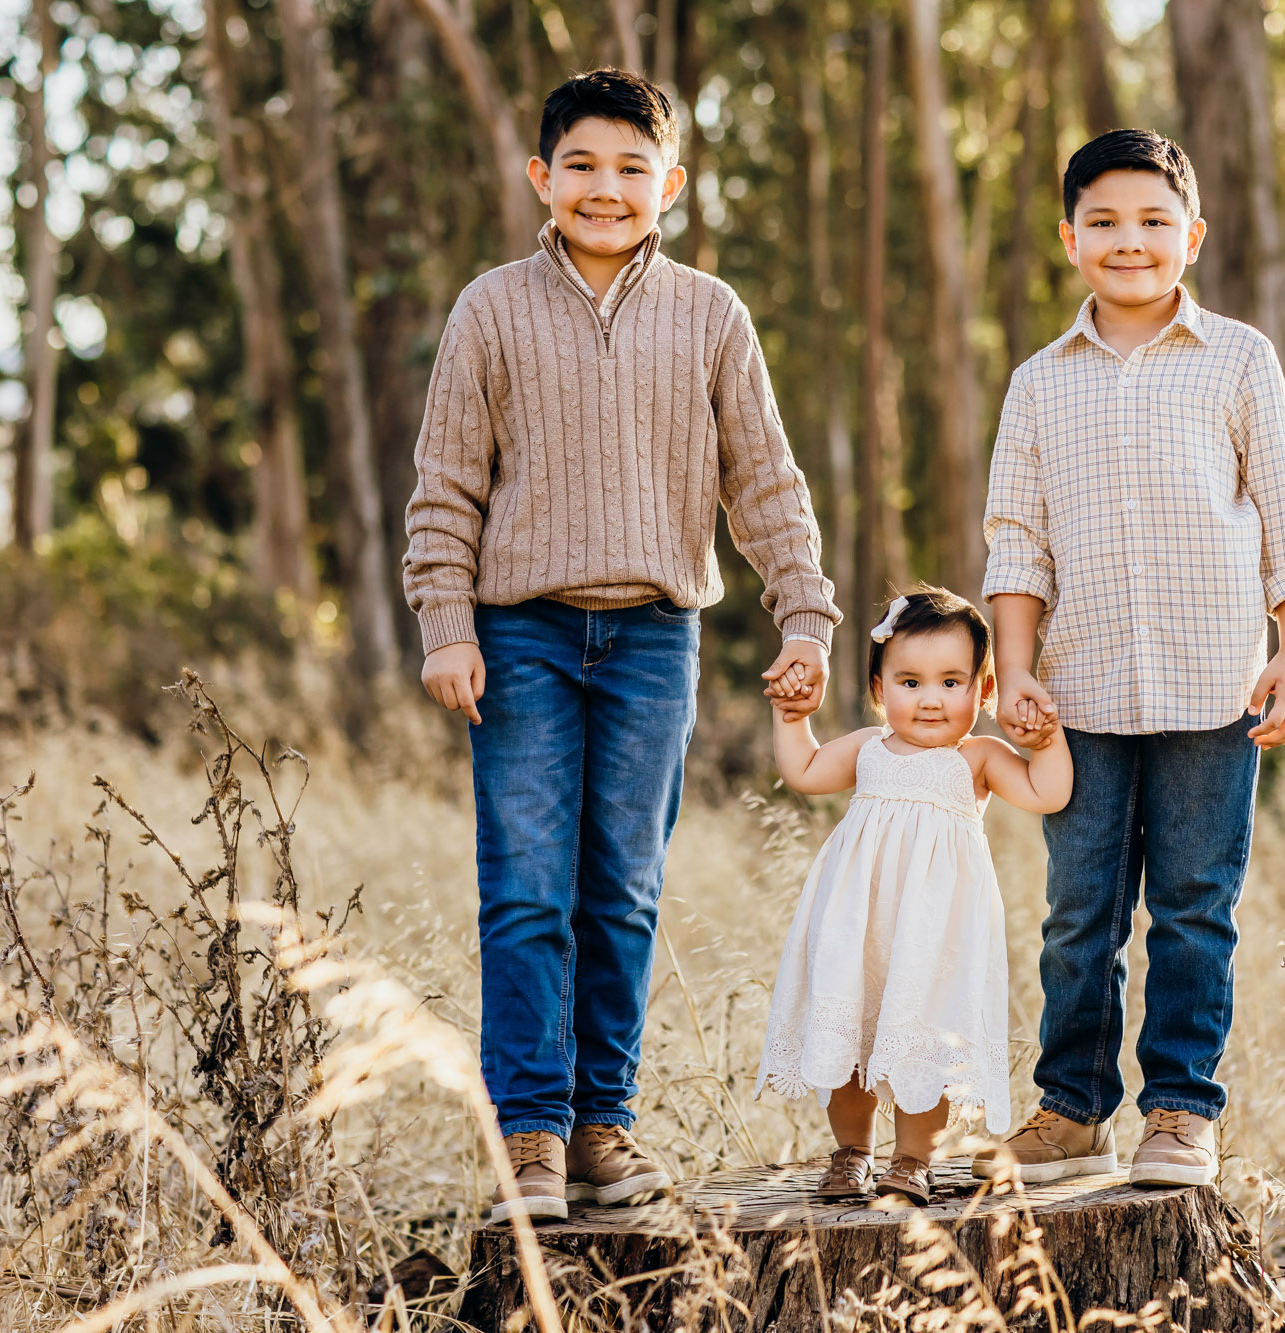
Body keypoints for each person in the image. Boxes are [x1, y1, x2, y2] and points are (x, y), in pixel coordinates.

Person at [402, 68, 838, 1223]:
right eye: (581, 166)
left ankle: (602, 1126)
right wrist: (447, 624)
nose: (605, 189)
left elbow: (763, 481)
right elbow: (445, 487)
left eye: (631, 169)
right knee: (526, 890)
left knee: (625, 889)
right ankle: (531, 1138)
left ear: (671, 185)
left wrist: (803, 612)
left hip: (654, 637)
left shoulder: (710, 314)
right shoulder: (490, 307)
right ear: (541, 177)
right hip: (523, 634)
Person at [976, 129, 1285, 1189]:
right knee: (1079, 911)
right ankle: (1070, 1109)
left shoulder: (1236, 360)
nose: (1128, 242)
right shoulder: (1039, 381)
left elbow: (1284, 511)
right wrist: (1013, 665)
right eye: (1103, 223)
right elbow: (1014, 536)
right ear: (1067, 237)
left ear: (1191, 236)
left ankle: (1179, 1111)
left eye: (1151, 222)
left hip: (1212, 682)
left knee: (1190, 906)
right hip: (1076, 690)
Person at [756, 588, 1073, 1205]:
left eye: (952, 682)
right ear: (879, 688)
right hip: (858, 923)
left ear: (983, 692)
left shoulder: (977, 757)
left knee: (922, 1037)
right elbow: (804, 772)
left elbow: (1048, 793)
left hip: (934, 932)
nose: (930, 698)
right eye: (909, 682)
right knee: (852, 1032)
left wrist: (1045, 741)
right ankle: (851, 1151)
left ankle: (912, 1159)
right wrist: (791, 718)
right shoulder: (867, 748)